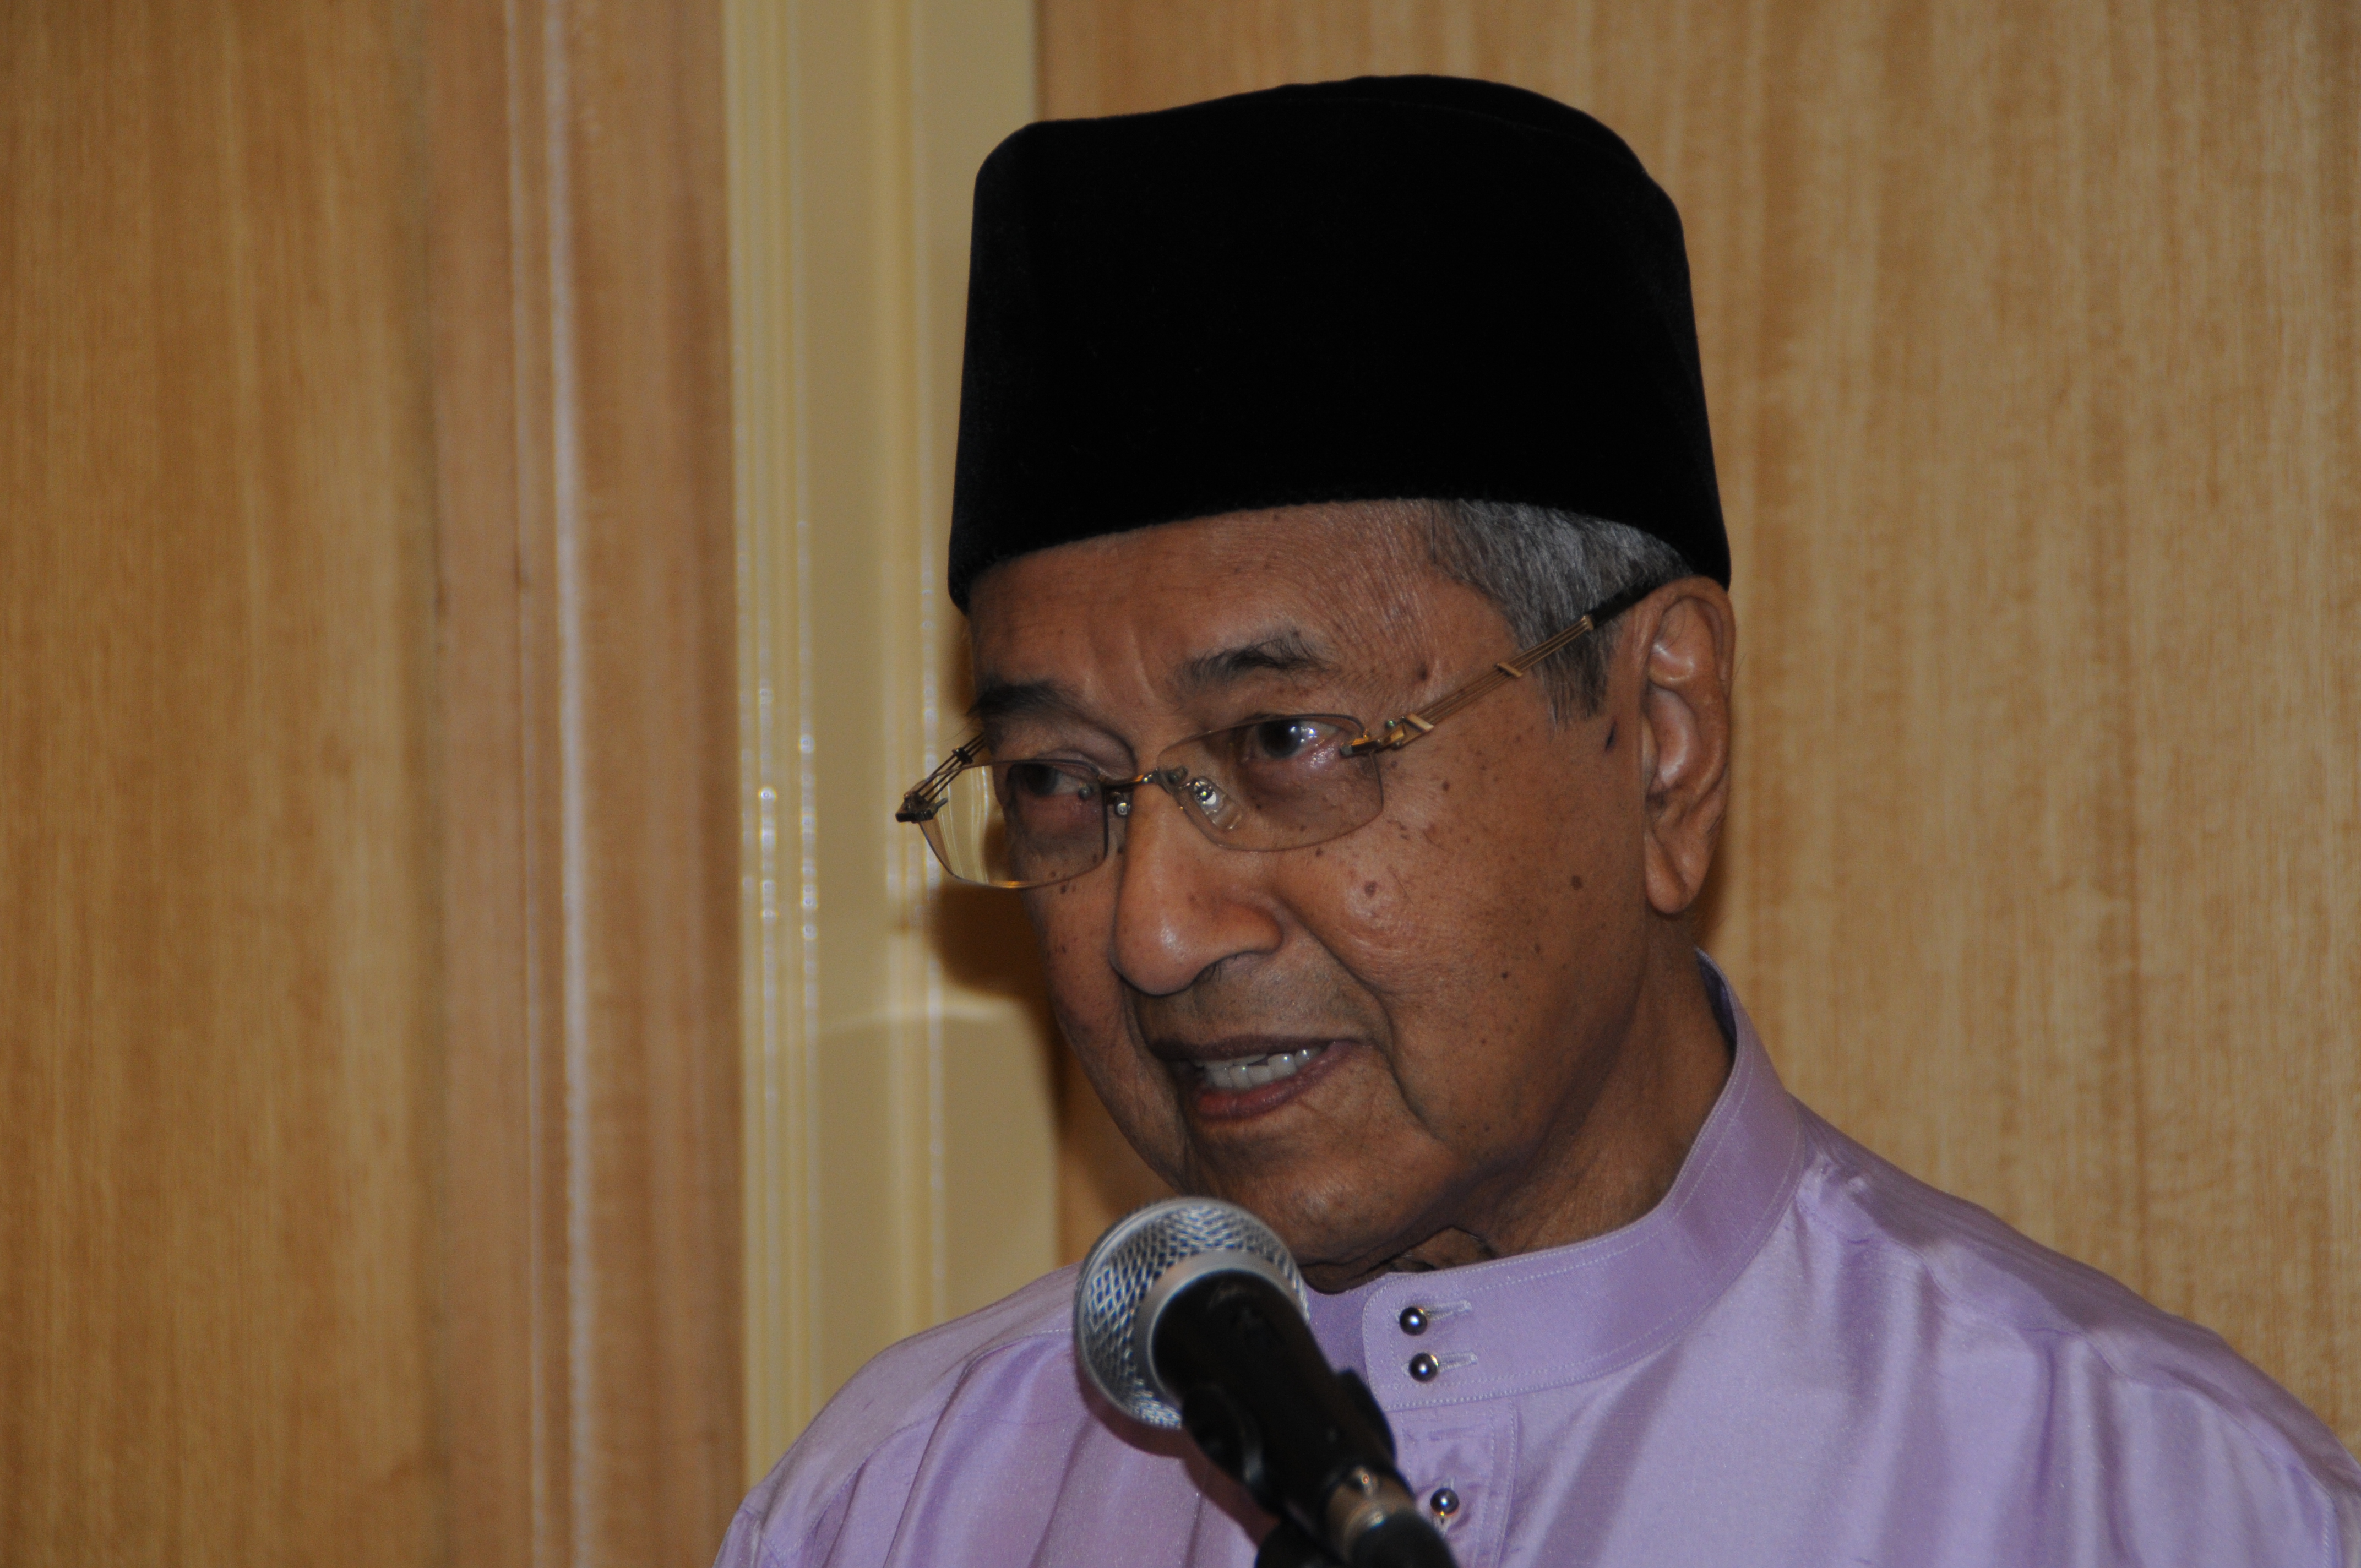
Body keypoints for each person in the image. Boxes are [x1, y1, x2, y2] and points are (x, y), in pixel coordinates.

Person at [717, 75, 2360, 1567]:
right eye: (1061, 785)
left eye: (1284, 742)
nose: (1151, 929)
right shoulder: (896, 1514)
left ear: (1663, 740)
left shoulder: (2142, 1501)